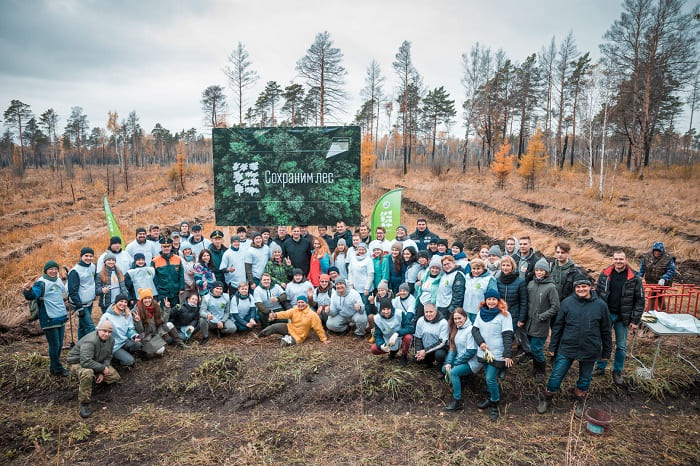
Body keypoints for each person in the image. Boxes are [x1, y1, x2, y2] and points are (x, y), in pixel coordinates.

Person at [538, 273, 612, 414]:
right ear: (574, 288)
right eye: (578, 287)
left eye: (584, 286)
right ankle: (546, 398)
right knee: (556, 375)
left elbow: (606, 331)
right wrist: (553, 346)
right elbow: (558, 327)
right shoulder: (567, 303)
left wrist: (606, 352)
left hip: (590, 348)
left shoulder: (601, 306)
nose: (581, 289)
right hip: (568, 346)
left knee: (585, 378)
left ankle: (579, 401)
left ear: (590, 287)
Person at [593, 250, 644, 385]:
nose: (618, 262)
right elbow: (598, 294)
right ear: (612, 259)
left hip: (623, 317)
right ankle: (600, 367)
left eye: (621, 259)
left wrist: (635, 320)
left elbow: (640, 300)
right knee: (603, 342)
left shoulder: (635, 278)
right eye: (616, 259)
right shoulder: (605, 275)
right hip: (607, 314)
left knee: (621, 346)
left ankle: (617, 371)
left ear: (626, 260)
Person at [22, 260, 69, 376]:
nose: (53, 271)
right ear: (46, 271)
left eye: (55, 269)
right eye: (51, 269)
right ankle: (57, 368)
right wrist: (27, 291)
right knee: (54, 344)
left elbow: (64, 292)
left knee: (59, 344)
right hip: (49, 317)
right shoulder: (41, 283)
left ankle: (54, 367)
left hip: (60, 316)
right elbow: (33, 295)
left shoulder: (58, 280)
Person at [472, 290, 513, 420]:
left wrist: (507, 354)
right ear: (485, 300)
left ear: (498, 300)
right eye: (489, 299)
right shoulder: (481, 313)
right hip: (484, 351)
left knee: (490, 378)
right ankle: (491, 397)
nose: (491, 302)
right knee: (487, 376)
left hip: (497, 352)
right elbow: (475, 329)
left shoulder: (504, 315)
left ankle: (495, 403)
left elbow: (507, 335)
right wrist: (481, 343)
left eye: (494, 299)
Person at [66, 319, 121, 418]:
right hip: (77, 362)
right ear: (99, 330)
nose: (107, 334)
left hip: (94, 361)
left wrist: (102, 372)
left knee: (114, 377)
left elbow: (108, 356)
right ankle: (84, 403)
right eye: (104, 331)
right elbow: (85, 361)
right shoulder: (90, 341)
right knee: (87, 373)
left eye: (109, 332)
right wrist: (101, 368)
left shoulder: (111, 340)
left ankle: (95, 381)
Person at [523, 259, 560, 383]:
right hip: (529, 322)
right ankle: (535, 367)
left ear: (546, 272)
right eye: (537, 270)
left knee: (536, 348)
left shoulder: (551, 287)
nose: (539, 272)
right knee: (531, 348)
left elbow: (555, 306)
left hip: (541, 324)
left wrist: (542, 316)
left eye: (542, 270)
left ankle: (541, 371)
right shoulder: (531, 284)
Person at [442, 308, 481, 411]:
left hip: (472, 361)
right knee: (444, 369)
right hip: (460, 359)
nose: (457, 321)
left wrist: (454, 363)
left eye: (459, 318)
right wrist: (449, 362)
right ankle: (462, 380)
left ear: (465, 317)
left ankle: (457, 401)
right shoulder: (457, 329)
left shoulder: (470, 330)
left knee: (453, 372)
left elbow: (471, 352)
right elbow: (452, 349)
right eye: (455, 319)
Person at [133, 288, 186, 355]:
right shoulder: (136, 311)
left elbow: (163, 320)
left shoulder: (155, 306)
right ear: (141, 299)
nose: (147, 300)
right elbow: (140, 331)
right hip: (147, 336)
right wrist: (138, 321)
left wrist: (167, 308)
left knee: (169, 324)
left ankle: (180, 344)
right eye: (145, 298)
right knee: (160, 351)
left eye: (149, 298)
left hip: (156, 331)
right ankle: (147, 351)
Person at [97, 294, 143, 367]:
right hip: (113, 345)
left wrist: (134, 336)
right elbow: (98, 331)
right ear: (115, 302)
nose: (123, 304)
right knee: (130, 361)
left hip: (124, 341)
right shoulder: (107, 316)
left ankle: (124, 353)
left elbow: (130, 329)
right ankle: (114, 360)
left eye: (125, 302)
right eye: (121, 301)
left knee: (138, 344)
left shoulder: (128, 314)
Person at [263, 296, 329, 346]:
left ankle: (286, 337)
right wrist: (275, 315)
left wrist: (324, 339)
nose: (300, 304)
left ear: (306, 303)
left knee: (283, 344)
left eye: (302, 302)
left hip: (298, 335)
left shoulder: (312, 314)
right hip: (289, 328)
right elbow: (285, 313)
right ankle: (260, 336)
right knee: (273, 327)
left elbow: (318, 328)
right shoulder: (294, 309)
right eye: (299, 302)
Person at [495, 255, 528, 347]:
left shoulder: (520, 282)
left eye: (508, 265)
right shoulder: (497, 280)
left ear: (512, 267)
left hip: (513, 314)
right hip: (500, 313)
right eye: (503, 265)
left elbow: (523, 301)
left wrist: (521, 318)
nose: (505, 268)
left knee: (508, 337)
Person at [370, 298, 414, 365]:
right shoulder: (377, 318)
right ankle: (392, 352)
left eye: (388, 309)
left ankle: (404, 356)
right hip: (387, 340)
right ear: (380, 309)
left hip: (399, 339)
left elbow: (410, 328)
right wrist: (381, 345)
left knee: (408, 337)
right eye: (383, 309)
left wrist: (397, 333)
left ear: (391, 308)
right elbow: (377, 335)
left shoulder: (399, 313)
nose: (386, 311)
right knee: (374, 349)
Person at [67, 247, 97, 340]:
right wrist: (79, 307)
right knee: (90, 327)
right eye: (86, 256)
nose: (88, 258)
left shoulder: (92, 266)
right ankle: (95, 349)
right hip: (79, 304)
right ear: (81, 256)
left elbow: (92, 281)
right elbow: (73, 291)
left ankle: (80, 347)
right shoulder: (75, 271)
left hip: (89, 302)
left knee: (83, 327)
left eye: (91, 256)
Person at [639, 241, 677, 310]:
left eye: (659, 251)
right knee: (659, 295)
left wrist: (664, 278)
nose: (657, 253)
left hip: (662, 281)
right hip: (651, 280)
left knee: (653, 294)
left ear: (662, 251)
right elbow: (643, 267)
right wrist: (640, 276)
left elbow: (672, 270)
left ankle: (651, 311)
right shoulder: (647, 256)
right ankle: (663, 310)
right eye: (655, 251)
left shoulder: (668, 258)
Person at [414, 303, 449, 373]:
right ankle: (428, 363)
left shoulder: (443, 323)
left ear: (436, 311)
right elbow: (418, 338)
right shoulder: (420, 320)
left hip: (439, 348)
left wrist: (425, 351)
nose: (428, 314)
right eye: (426, 312)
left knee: (440, 355)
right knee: (416, 360)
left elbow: (442, 342)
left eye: (431, 312)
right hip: (425, 348)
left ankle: (440, 367)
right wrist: (418, 352)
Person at [462, 258, 499, 323]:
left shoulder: (489, 279)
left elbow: (493, 296)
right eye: (473, 268)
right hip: (466, 309)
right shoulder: (467, 277)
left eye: (478, 269)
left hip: (479, 311)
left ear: (483, 269)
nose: (475, 271)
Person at [152, 237, 185, 306]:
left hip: (175, 291)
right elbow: (154, 278)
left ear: (171, 246)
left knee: (175, 312)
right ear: (161, 247)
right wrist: (158, 290)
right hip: (162, 292)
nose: (166, 248)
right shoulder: (155, 261)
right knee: (164, 313)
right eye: (164, 247)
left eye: (168, 246)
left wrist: (181, 288)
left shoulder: (177, 258)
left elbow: (181, 274)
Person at [435, 255, 466, 320]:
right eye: (444, 265)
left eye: (448, 263)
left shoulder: (458, 274)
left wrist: (453, 308)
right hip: (441, 305)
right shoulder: (445, 274)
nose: (446, 266)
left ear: (454, 263)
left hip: (448, 307)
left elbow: (459, 293)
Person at [415, 255, 442, 321]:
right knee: (418, 320)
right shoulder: (425, 277)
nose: (434, 270)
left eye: (437, 268)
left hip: (431, 303)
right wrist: (417, 285)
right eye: (433, 268)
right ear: (430, 268)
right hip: (421, 301)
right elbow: (419, 289)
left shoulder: (440, 280)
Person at [348, 242, 374, 309]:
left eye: (363, 250)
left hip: (365, 289)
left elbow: (370, 275)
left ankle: (367, 318)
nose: (361, 251)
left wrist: (367, 288)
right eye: (359, 249)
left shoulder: (368, 260)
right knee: (356, 305)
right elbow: (350, 272)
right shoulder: (353, 259)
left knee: (366, 305)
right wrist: (351, 284)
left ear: (366, 250)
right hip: (355, 288)